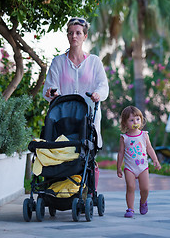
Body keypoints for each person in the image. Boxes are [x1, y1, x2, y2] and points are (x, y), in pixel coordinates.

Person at [43, 17, 109, 148]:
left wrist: (97, 94)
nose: (74, 36)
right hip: (65, 118)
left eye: (78, 33)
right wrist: (53, 93)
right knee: (64, 150)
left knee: (88, 150)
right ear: (67, 35)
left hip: (89, 116)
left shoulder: (94, 61)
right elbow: (50, 86)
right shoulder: (58, 62)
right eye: (70, 33)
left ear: (85, 36)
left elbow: (103, 85)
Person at [117, 106, 162, 218]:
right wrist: (118, 167)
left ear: (141, 120)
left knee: (145, 189)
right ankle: (130, 209)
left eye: (137, 119)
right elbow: (121, 153)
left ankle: (143, 201)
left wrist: (155, 160)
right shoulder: (124, 138)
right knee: (130, 187)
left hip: (143, 167)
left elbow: (149, 148)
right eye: (131, 120)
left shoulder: (144, 135)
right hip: (129, 168)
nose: (135, 122)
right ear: (125, 123)